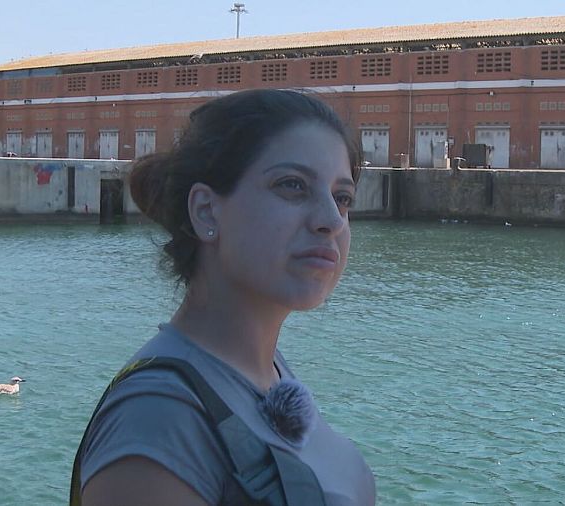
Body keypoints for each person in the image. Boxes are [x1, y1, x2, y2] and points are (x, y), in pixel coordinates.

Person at [70, 89, 375, 506]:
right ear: (206, 212)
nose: (331, 220)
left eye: (342, 198)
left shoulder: (268, 375)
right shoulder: (157, 422)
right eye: (292, 186)